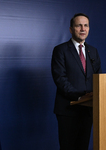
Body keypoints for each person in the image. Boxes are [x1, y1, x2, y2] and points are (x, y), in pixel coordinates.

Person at [51, 13, 102, 150]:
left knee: (83, 147)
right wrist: (80, 96)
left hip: (88, 110)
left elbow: (98, 79)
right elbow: (60, 79)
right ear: (71, 29)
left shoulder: (93, 51)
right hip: (68, 109)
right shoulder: (60, 50)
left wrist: (94, 95)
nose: (82, 29)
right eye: (79, 25)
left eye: (86, 25)